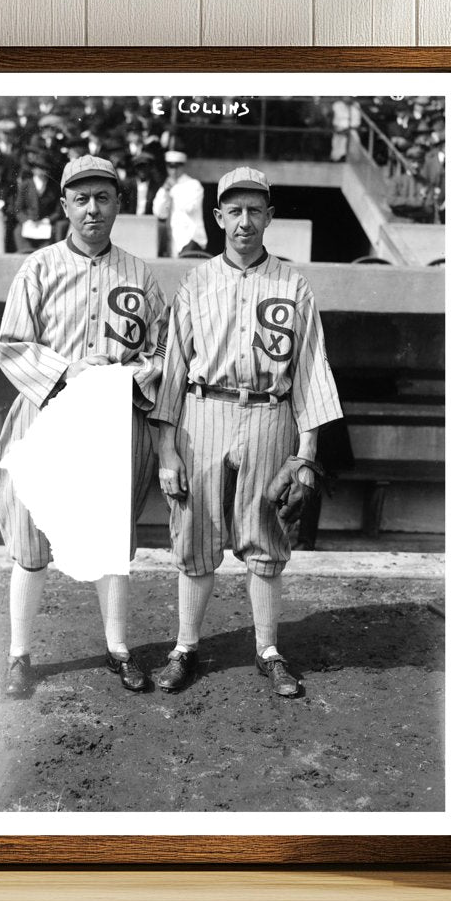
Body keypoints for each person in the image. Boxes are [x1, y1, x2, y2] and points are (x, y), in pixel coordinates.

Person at [151, 167, 343, 697]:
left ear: (269, 217)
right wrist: (167, 449)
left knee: (267, 537)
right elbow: (171, 370)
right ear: (217, 218)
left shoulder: (293, 284)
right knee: (195, 534)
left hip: (269, 412)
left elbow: (309, 371)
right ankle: (185, 647)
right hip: (203, 410)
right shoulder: (195, 282)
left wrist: (306, 455)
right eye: (233, 211)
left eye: (254, 210)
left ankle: (268, 650)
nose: (244, 221)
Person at [0, 155, 168, 697]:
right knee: (30, 540)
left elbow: (163, 351)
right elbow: (11, 345)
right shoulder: (39, 267)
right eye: (82, 199)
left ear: (118, 203)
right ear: (65, 205)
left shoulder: (141, 274)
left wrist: (125, 373)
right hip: (48, 416)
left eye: (103, 198)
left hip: (111, 423)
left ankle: (119, 650)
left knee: (112, 538)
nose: (93, 209)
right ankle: (19, 654)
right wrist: (70, 369)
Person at [153, 150, 207, 257]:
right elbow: (158, 213)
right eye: (170, 166)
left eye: (176, 166)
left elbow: (189, 208)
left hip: (191, 239)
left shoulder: (193, 185)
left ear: (182, 167)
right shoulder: (166, 186)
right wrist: (165, 191)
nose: (173, 170)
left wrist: (174, 189)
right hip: (173, 240)